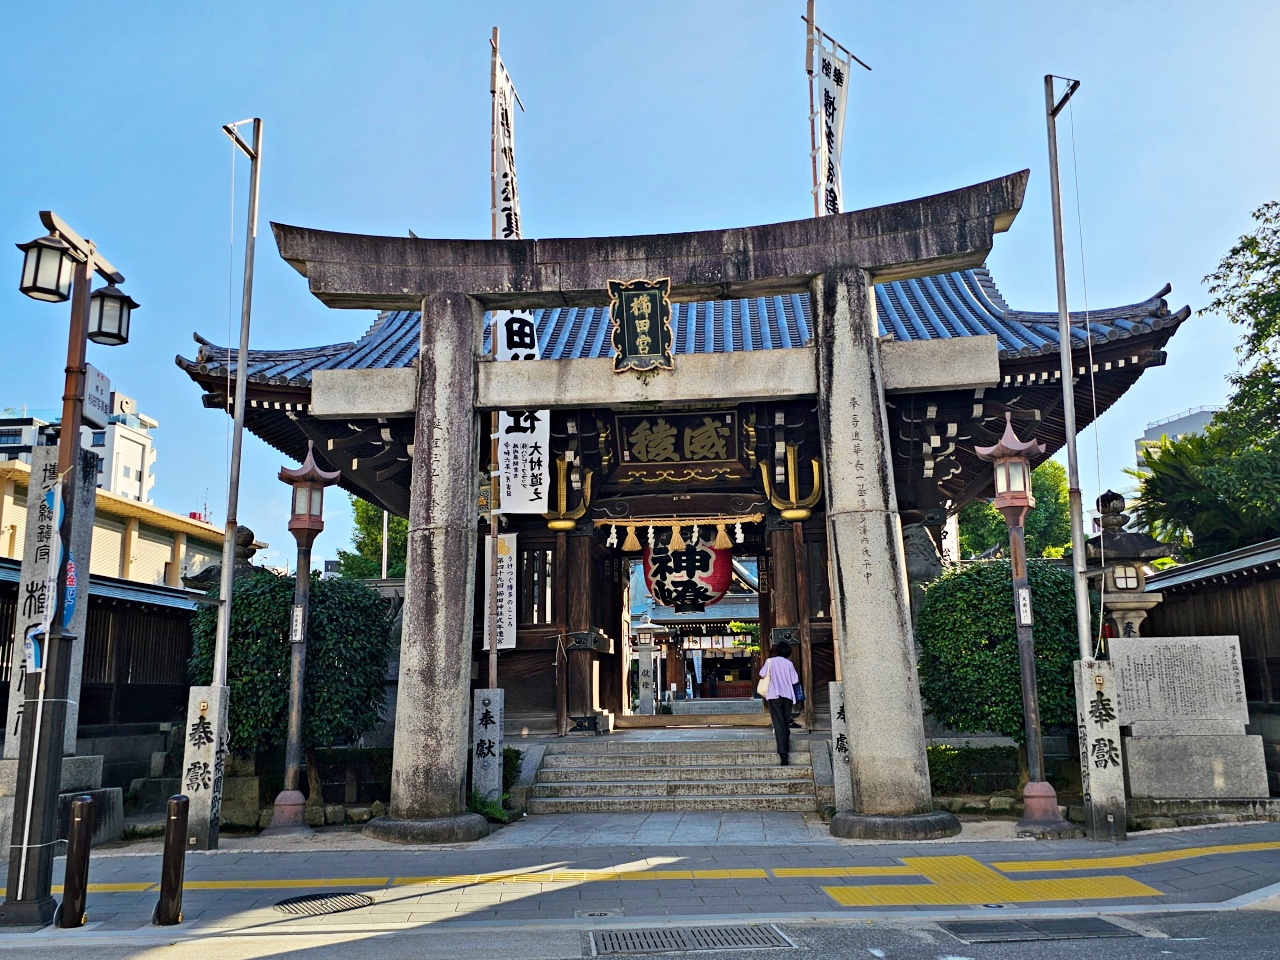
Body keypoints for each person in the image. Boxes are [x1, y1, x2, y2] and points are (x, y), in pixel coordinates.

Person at [759, 641, 800, 765]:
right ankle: (785, 744)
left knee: (778, 723)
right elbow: (795, 680)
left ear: (777, 651)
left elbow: (761, 674)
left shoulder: (770, 661)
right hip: (787, 695)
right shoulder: (789, 663)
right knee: (785, 721)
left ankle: (783, 754)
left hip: (774, 695)